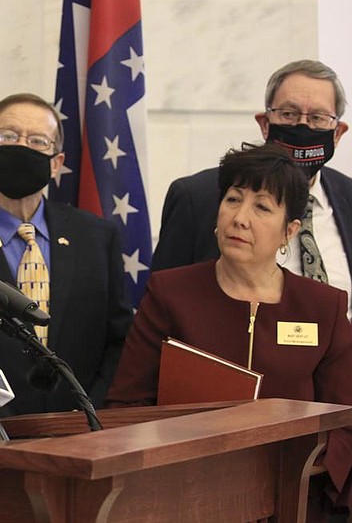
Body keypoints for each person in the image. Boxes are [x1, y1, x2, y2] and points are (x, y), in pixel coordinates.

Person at [107, 143, 352, 519]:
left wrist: (298, 470)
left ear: (290, 230)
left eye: (262, 207)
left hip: (293, 502)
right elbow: (126, 407)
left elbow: (344, 420)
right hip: (184, 498)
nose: (240, 218)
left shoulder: (323, 306)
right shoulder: (171, 293)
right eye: (233, 199)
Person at [0, 93, 133, 414]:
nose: (21, 147)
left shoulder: (97, 237)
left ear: (56, 164)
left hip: (84, 431)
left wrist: (92, 408)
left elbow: (119, 340)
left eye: (38, 141)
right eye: (7, 136)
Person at [152, 60, 352, 320]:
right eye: (288, 114)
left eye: (317, 118)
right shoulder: (197, 198)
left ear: (337, 134)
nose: (303, 128)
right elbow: (160, 310)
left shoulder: (348, 197)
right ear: (265, 123)